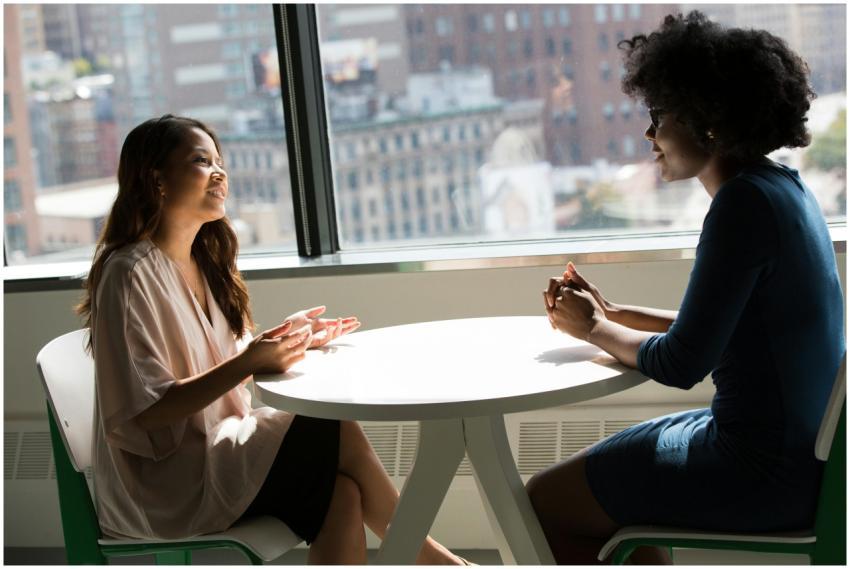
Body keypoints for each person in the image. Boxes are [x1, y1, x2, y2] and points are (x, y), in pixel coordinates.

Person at [77, 114, 467, 565]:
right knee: (331, 425)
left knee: (341, 492)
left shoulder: (204, 263)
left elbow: (221, 363)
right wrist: (249, 362)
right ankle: (434, 559)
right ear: (156, 180)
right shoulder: (128, 273)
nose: (219, 173)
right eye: (202, 161)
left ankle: (432, 558)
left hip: (218, 452)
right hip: (166, 485)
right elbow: (145, 412)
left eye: (220, 162)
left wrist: (287, 341)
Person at [528, 11, 845, 565]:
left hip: (762, 472)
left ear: (707, 121)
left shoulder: (741, 206)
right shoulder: (783, 189)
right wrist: (613, 312)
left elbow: (682, 363)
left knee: (542, 501)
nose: (649, 134)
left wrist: (594, 328)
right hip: (805, 460)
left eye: (659, 115)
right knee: (614, 487)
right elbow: (725, 331)